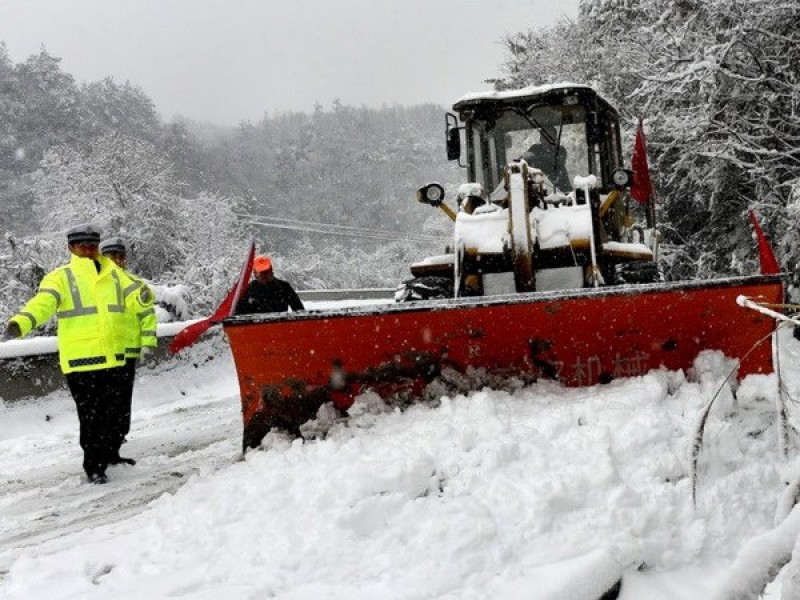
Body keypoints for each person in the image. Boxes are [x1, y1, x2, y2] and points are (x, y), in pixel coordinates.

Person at [2, 224, 151, 484]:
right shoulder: (60, 277)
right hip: (82, 360)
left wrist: (144, 297)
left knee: (115, 413)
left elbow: (136, 298)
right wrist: (22, 322)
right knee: (91, 415)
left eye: (92, 246)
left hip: (115, 356)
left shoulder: (115, 274)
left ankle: (111, 454)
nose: (88, 250)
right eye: (82, 246)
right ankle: (94, 466)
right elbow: (42, 304)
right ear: (71, 248)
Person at [99, 237, 157, 460]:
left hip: (127, 352)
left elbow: (147, 315)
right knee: (103, 402)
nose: (116, 260)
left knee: (121, 401)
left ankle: (116, 441)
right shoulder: (94, 286)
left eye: (120, 256)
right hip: (101, 352)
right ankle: (103, 446)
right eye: (111, 255)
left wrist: (148, 343)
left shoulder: (135, 284)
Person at [234, 255, 304, 315]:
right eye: (260, 273)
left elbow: (299, 311)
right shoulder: (249, 289)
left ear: (271, 270)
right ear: (255, 274)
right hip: (256, 329)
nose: (264, 275)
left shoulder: (284, 287)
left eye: (266, 272)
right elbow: (238, 315)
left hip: (280, 327)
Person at [523, 125, 571, 192]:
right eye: (544, 136)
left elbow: (556, 163)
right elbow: (525, 161)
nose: (547, 139)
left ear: (555, 139)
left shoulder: (560, 150)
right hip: (539, 193)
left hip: (562, 192)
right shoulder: (534, 149)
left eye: (550, 137)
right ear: (540, 138)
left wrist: (551, 149)